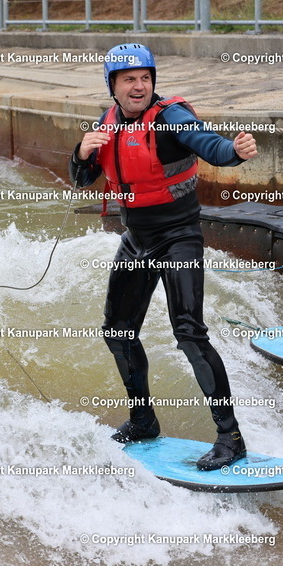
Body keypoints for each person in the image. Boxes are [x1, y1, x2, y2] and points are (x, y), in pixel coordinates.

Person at [69, 43, 257, 471]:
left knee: (189, 334)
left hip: (178, 238)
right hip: (136, 240)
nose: (139, 86)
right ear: (113, 86)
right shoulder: (106, 123)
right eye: (129, 80)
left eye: (145, 78)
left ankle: (230, 438)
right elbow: (82, 179)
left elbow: (209, 144)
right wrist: (81, 152)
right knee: (118, 332)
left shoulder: (171, 116)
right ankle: (143, 421)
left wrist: (235, 151)